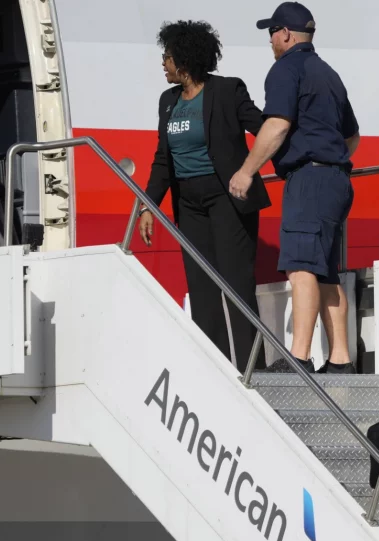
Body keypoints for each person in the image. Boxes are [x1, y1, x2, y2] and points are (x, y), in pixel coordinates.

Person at [228, 2, 361, 374]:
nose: (270, 40)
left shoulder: (286, 68)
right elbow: (352, 136)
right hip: (336, 180)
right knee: (326, 272)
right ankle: (340, 361)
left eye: (271, 32)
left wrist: (247, 171)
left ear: (285, 33)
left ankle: (298, 359)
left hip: (309, 180)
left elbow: (277, 125)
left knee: (301, 268)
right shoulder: (329, 74)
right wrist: (331, 158)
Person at [140, 20, 271, 372]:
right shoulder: (167, 102)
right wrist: (147, 206)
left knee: (236, 286)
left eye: (166, 57)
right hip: (189, 205)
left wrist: (248, 168)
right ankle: (215, 371)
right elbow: (162, 160)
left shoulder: (227, 91)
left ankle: (251, 370)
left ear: (184, 60)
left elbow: (265, 129)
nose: (162, 64)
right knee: (202, 292)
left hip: (227, 198)